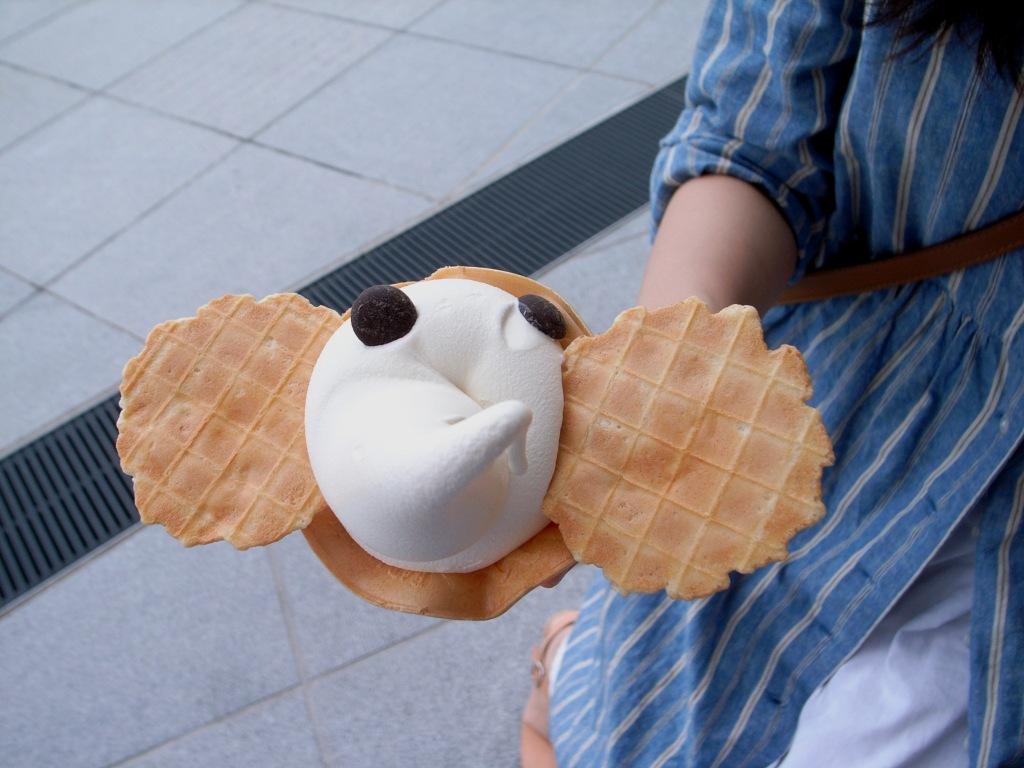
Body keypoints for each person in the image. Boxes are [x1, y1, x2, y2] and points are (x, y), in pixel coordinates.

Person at [522, 0, 1024, 765]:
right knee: (666, 704)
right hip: (877, 393)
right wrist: (664, 375)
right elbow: (751, 142)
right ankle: (567, 665)